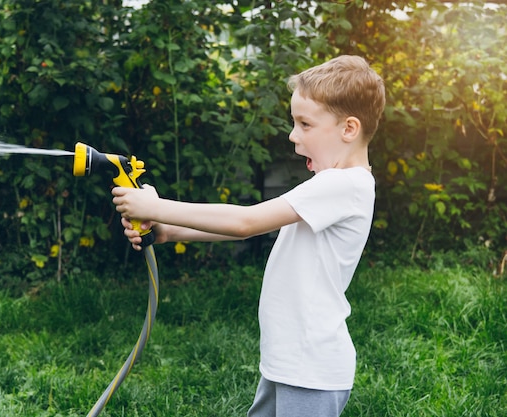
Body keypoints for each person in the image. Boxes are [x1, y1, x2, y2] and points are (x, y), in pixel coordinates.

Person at [111, 55, 386, 417]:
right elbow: (248, 229)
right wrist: (168, 230)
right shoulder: (331, 186)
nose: (293, 135)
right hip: (289, 360)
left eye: (305, 124)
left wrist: (156, 207)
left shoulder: (343, 185)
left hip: (311, 367)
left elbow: (246, 222)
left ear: (348, 129)